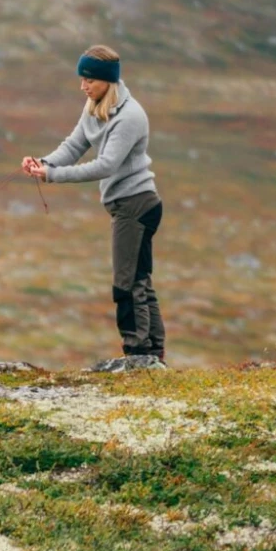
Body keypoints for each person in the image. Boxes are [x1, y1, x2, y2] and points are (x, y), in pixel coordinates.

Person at [22, 45, 165, 370]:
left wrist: (52, 175)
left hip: (136, 205)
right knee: (140, 279)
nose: (83, 86)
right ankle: (152, 355)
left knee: (126, 283)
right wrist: (43, 162)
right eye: (82, 79)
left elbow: (106, 166)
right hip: (126, 206)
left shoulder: (130, 116)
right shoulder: (95, 107)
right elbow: (74, 145)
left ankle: (137, 355)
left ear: (106, 80)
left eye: (88, 79)